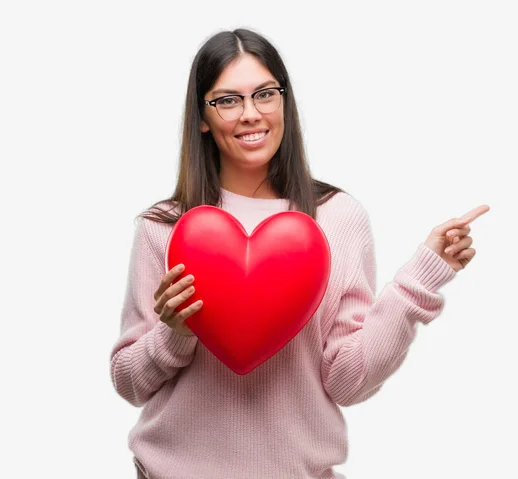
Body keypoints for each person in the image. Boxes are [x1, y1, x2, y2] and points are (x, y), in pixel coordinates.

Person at [109, 28, 489, 479]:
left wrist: (422, 279)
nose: (251, 114)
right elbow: (129, 383)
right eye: (228, 100)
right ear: (202, 118)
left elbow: (348, 380)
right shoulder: (166, 228)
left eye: (265, 94)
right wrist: (175, 332)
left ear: (284, 101)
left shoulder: (337, 218)